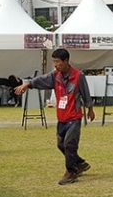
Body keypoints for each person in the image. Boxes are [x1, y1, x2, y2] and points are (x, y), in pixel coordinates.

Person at [14, 48, 96, 185]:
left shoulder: (78, 75)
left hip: (74, 117)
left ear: (66, 61)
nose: (55, 65)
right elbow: (41, 80)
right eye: (54, 62)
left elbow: (86, 93)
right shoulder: (55, 76)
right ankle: (79, 163)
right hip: (62, 117)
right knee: (60, 144)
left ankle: (71, 172)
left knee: (70, 144)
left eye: (58, 62)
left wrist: (90, 109)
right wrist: (27, 84)